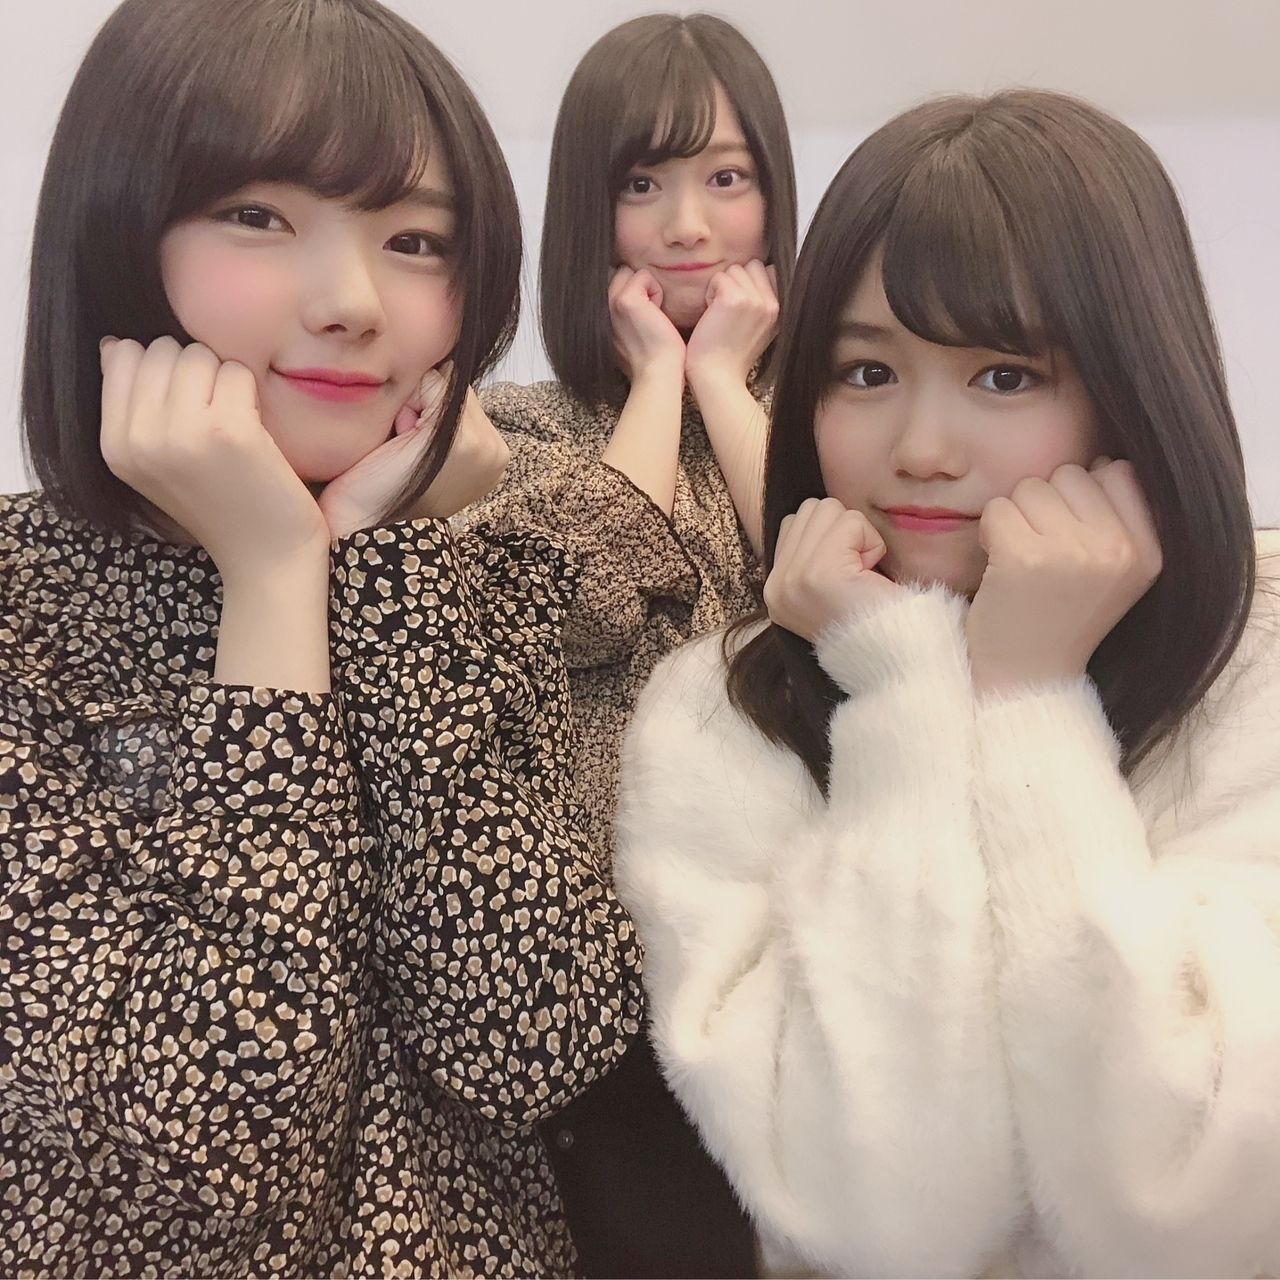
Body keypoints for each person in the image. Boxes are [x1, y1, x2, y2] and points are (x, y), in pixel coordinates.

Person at [0, 1, 641, 1274]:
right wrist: (272, 579)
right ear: (117, 237)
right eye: (256, 215)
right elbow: (212, 1173)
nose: (351, 302)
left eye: (415, 241)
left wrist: (386, 563)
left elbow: (531, 1044)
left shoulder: (466, 561)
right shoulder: (24, 617)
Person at [615, 89, 1280, 1279]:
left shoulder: (1253, 675)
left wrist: (1028, 703)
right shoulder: (716, 714)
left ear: (1133, 389)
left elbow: (1185, 1215)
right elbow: (881, 1220)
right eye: (865, 370)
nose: (920, 448)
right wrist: (906, 697)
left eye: (1004, 377)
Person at [457, 15, 797, 1274]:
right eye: (640, 184)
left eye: (726, 177)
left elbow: (832, 579)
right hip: (608, 977)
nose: (687, 225)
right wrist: (657, 380)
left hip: (804, 930)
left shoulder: (831, 406)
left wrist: (725, 386)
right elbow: (579, 605)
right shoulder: (509, 429)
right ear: (584, 214)